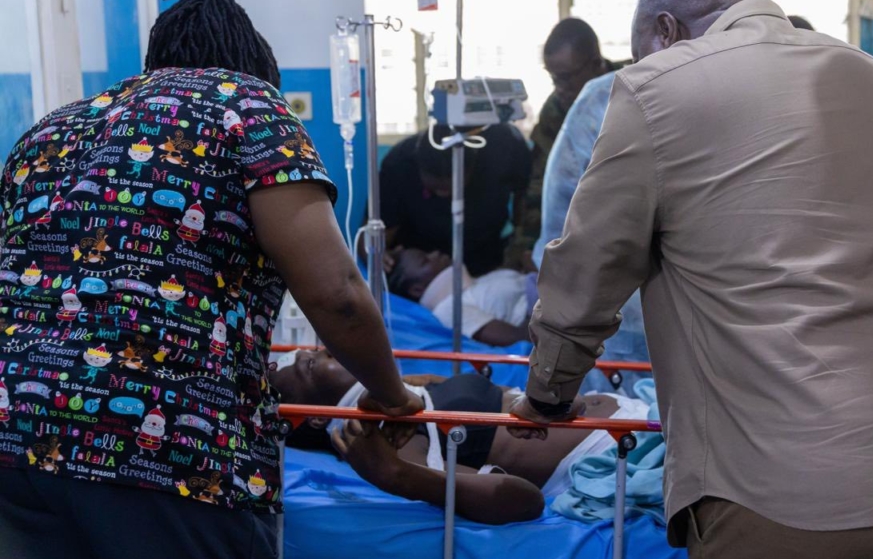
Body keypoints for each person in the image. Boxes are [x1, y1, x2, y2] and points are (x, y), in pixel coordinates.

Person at [510, 0, 873, 559]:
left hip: (791, 497)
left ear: (666, 32)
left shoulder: (655, 90)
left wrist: (546, 396)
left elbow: (585, 279)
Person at [0, 0, 422, 559]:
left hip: (15, 435)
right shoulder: (246, 107)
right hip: (168, 450)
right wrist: (394, 397)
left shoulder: (45, 134)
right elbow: (338, 296)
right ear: (255, 68)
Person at [269, 347, 648, 525]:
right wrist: (394, 475)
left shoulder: (402, 397)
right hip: (627, 449)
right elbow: (523, 503)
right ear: (318, 420)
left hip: (639, 411)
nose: (322, 349)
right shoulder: (394, 448)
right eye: (311, 363)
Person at [532, 72, 648, 395]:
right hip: (618, 322)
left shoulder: (612, 98)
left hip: (625, 315)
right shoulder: (606, 99)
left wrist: (544, 394)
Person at [509, 19, 622, 271]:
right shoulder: (556, 112)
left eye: (566, 78)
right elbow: (543, 184)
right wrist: (529, 247)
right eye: (553, 78)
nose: (559, 89)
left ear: (596, 64)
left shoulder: (634, 89)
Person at [378, 124, 530, 277]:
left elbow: (526, 200)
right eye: (436, 189)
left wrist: (520, 248)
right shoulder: (398, 165)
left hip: (487, 255)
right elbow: (376, 235)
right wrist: (377, 255)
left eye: (453, 188)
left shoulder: (504, 146)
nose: (444, 194)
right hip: (426, 271)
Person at [388, 247, 532, 346]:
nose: (436, 253)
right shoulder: (449, 309)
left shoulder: (476, 284)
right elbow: (520, 338)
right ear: (416, 290)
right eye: (425, 261)